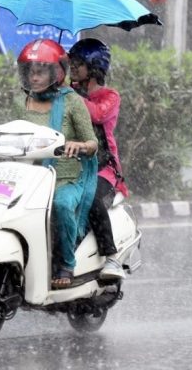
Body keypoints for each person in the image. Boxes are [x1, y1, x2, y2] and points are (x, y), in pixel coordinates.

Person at [0, 39, 98, 289]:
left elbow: (92, 142)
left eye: (40, 70)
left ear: (56, 72)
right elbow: (11, 132)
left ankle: (66, 263)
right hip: (29, 177)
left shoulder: (73, 101)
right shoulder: (25, 101)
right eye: (30, 70)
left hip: (66, 178)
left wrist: (79, 145)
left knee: (61, 206)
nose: (34, 76)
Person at [68, 38, 129, 280]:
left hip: (103, 170)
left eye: (78, 63)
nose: (72, 67)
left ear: (94, 68)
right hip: (70, 166)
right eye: (71, 63)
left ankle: (111, 257)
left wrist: (67, 94)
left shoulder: (110, 96)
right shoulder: (69, 93)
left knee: (91, 199)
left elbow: (97, 113)